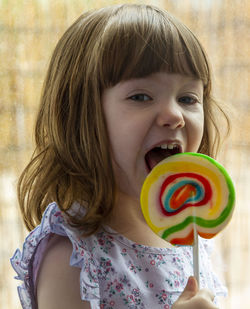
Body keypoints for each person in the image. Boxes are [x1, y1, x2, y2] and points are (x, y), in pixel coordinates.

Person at [11, 3, 229, 309]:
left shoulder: (187, 235)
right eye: (141, 96)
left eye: (187, 98)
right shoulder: (72, 257)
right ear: (83, 116)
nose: (174, 115)